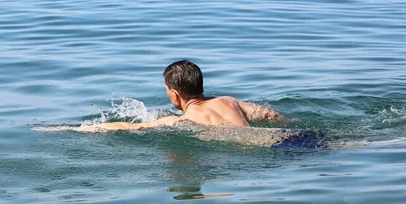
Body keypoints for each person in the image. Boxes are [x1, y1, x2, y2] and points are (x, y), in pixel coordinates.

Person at [73, 60, 284, 132]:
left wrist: (76, 129)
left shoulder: (181, 121)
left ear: (174, 93)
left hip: (263, 148)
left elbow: (126, 127)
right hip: (286, 136)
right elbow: (269, 115)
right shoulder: (228, 101)